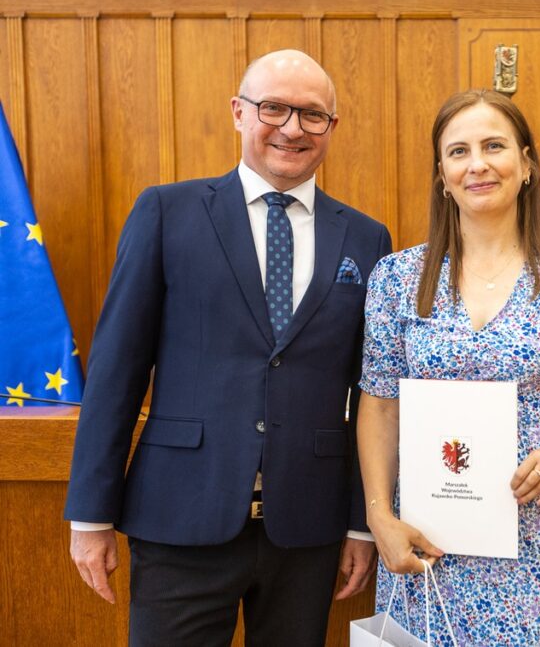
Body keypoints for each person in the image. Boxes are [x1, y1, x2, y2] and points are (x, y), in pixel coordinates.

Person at [64, 49, 391, 646]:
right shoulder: (167, 212)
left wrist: (362, 524)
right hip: (179, 515)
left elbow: (373, 394)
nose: (293, 128)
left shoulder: (367, 238)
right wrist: (90, 514)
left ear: (332, 128)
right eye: (274, 108)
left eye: (312, 115)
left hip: (308, 527)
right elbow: (117, 371)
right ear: (239, 113)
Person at [357, 89, 540, 645]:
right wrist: (379, 516)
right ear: (442, 175)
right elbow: (380, 405)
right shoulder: (397, 278)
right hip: (428, 537)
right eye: (459, 152)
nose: (477, 164)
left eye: (494, 146)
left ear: (526, 163)